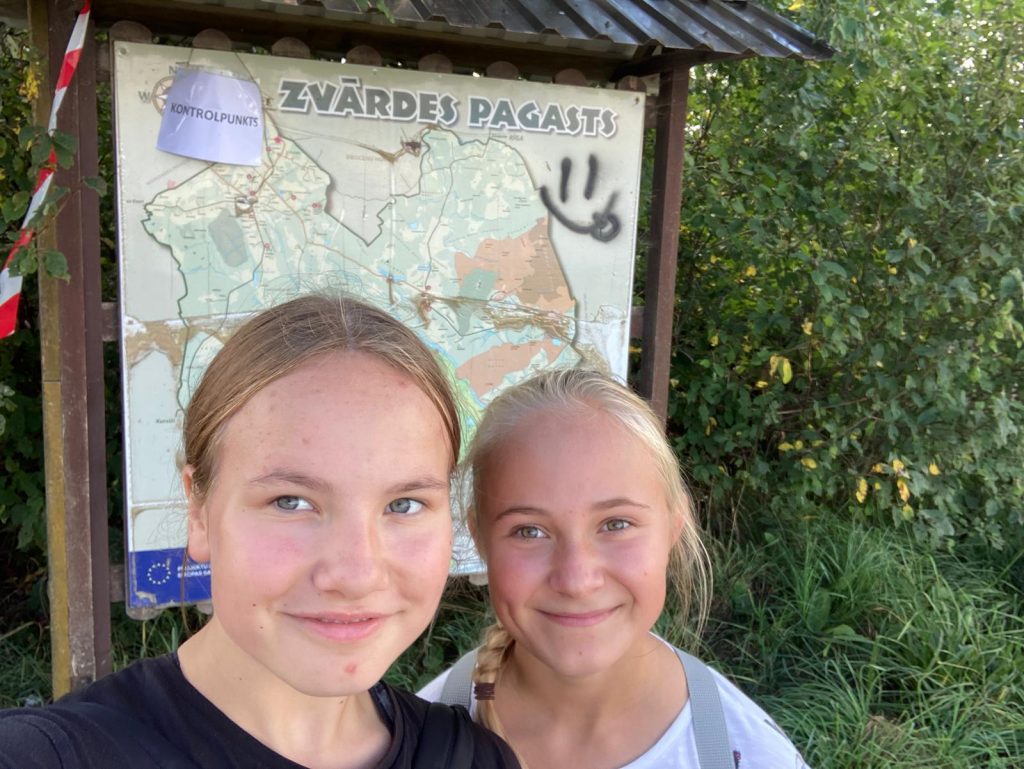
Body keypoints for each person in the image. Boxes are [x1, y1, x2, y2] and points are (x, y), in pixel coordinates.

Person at [0, 294, 519, 769]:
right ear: (200, 512)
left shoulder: (474, 760)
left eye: (404, 504)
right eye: (291, 502)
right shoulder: (49, 756)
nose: (356, 574)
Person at [419, 368, 810, 769]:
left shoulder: (748, 754)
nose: (577, 580)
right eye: (529, 531)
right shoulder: (415, 744)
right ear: (480, 539)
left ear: (673, 527)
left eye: (616, 524)